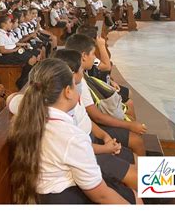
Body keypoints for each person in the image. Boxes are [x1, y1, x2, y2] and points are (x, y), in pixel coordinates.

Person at [8, 58, 133, 204]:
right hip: (66, 196)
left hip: (46, 194)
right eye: (75, 85)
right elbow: (101, 195)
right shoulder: (71, 137)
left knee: (139, 180)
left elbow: (10, 99)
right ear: (68, 91)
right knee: (135, 193)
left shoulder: (30, 108)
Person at [64, 34, 146, 156]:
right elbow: (96, 117)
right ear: (84, 56)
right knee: (136, 140)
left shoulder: (79, 74)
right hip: (88, 139)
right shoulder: (79, 82)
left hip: (92, 130)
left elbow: (85, 116)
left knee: (130, 116)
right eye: (93, 54)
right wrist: (130, 125)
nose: (95, 57)